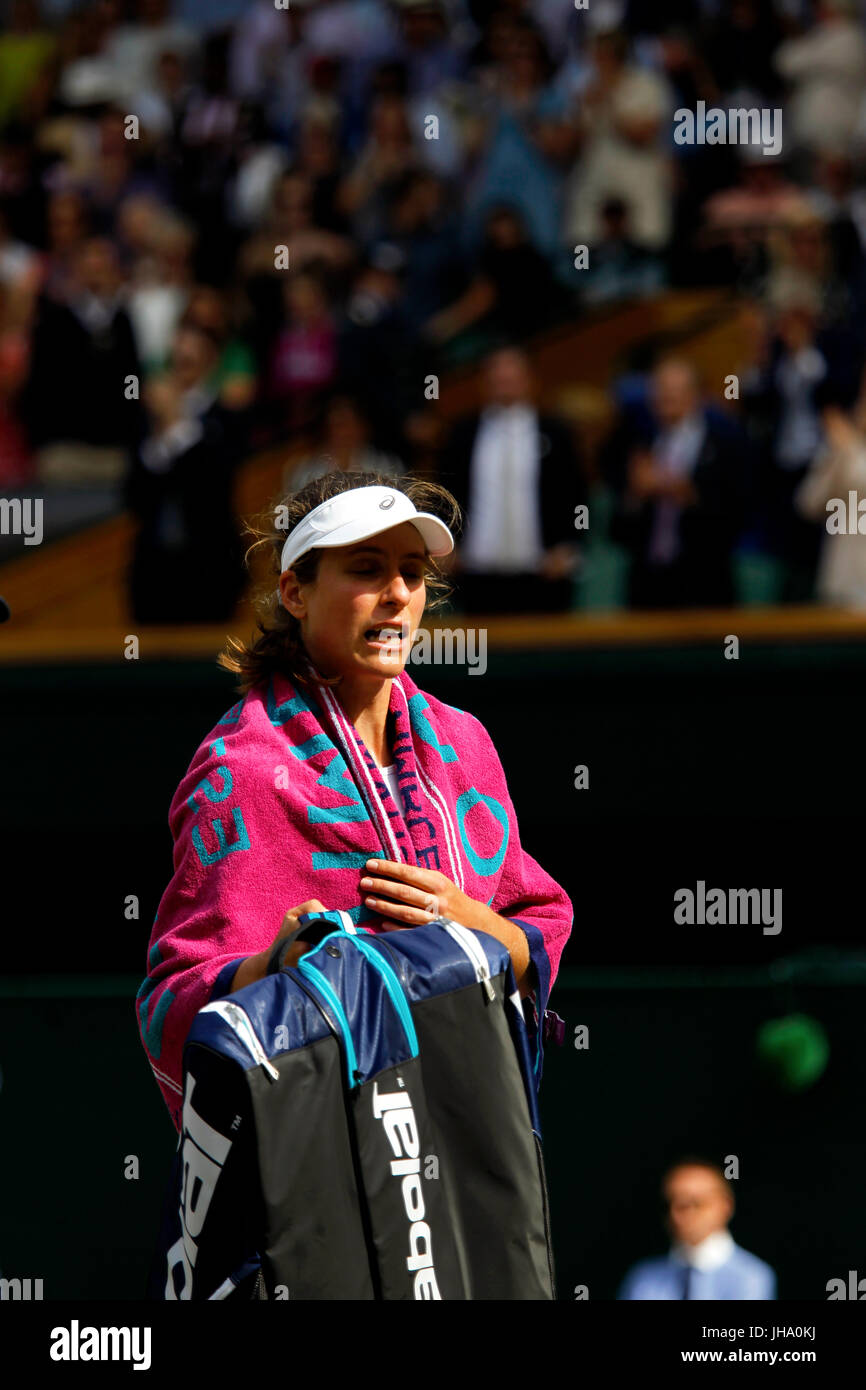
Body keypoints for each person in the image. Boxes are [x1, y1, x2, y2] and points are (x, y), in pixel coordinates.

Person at [136, 470, 574, 1130]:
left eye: (413, 571)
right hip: (320, 1166)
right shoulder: (238, 771)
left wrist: (473, 928)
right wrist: (274, 964)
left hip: (470, 1146)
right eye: (367, 570)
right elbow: (175, 998)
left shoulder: (465, 743)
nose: (398, 594)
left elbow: (533, 928)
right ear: (295, 593)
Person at [440, 344, 585, 614]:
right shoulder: (462, 434)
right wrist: (447, 546)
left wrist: (570, 546)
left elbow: (579, 497)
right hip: (475, 575)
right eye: (497, 373)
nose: (504, 380)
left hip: (543, 575)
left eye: (512, 373)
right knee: (480, 654)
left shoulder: (557, 433)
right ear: (484, 381)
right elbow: (443, 494)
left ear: (530, 379)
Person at [608, 356, 748, 609]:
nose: (666, 398)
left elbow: (739, 515)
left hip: (704, 585)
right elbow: (616, 531)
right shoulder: (637, 443)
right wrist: (634, 496)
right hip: (647, 587)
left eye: (675, 391)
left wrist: (688, 493)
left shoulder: (726, 444)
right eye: (660, 389)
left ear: (696, 395)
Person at [618, 1158, 777, 1300]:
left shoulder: (751, 1277)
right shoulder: (643, 1277)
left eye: (694, 1203)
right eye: (669, 1204)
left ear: (725, 1206)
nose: (677, 1214)